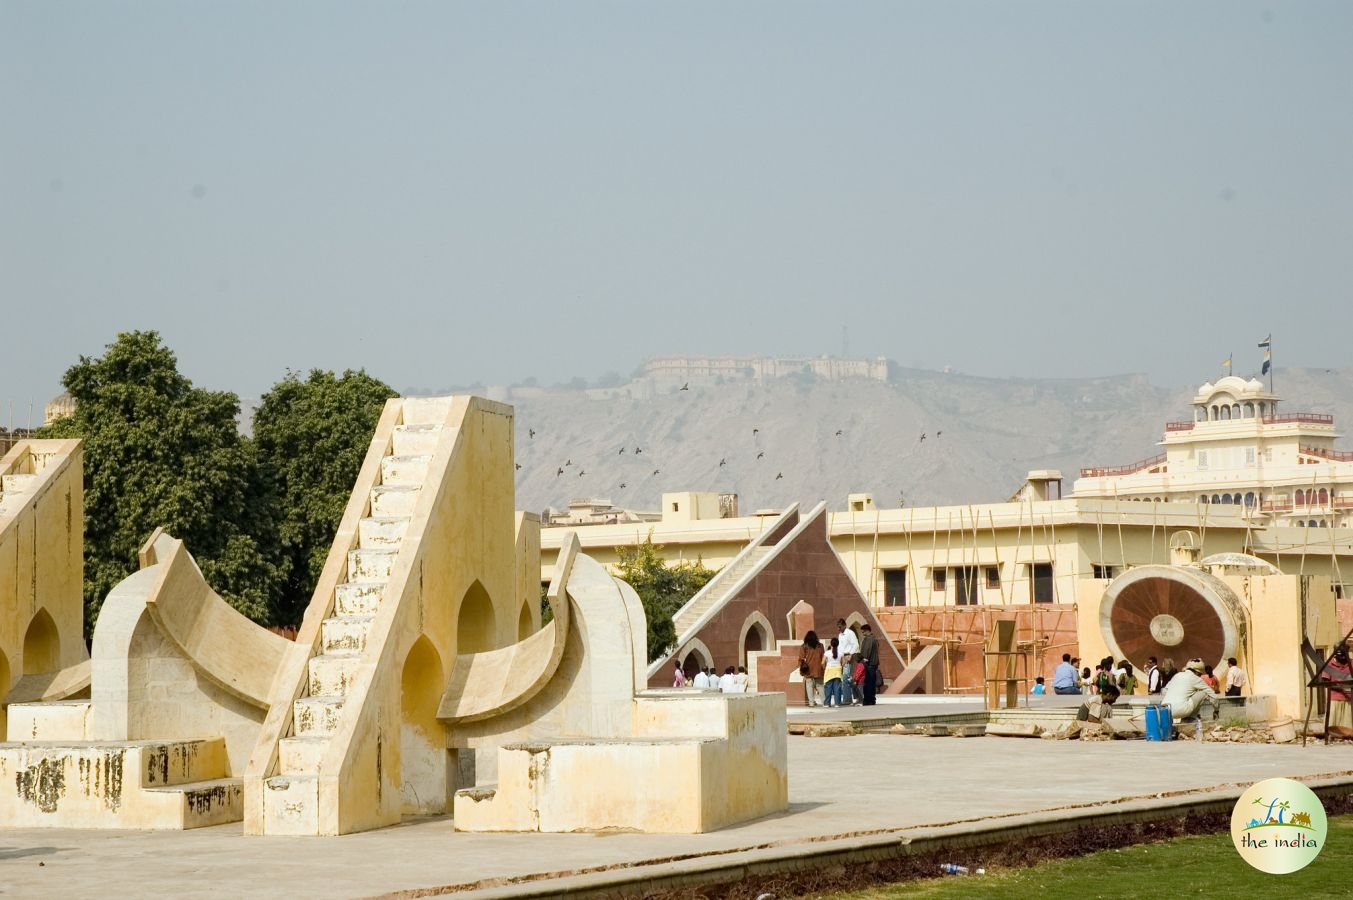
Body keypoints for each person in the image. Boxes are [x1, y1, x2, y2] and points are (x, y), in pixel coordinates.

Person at [1323, 645, 1352, 734]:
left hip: (1348, 698)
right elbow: (1325, 681)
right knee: (1331, 725)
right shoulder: (1329, 664)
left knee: (1347, 726)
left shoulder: (1351, 663)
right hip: (1333, 698)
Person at [837, 618, 861, 706]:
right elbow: (840, 647)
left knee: (848, 678)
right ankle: (848, 698)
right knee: (845, 679)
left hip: (850, 657)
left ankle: (854, 697)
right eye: (838, 627)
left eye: (840, 627)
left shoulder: (850, 633)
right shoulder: (840, 635)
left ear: (844, 625)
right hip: (843, 657)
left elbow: (855, 644)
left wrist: (850, 654)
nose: (839, 629)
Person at [798, 630, 826, 707]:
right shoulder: (820, 646)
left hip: (808, 670)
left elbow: (801, 659)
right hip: (818, 669)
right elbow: (823, 657)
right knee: (820, 686)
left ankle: (811, 703)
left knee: (809, 686)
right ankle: (824, 702)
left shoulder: (804, 646)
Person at [859, 623, 881, 705]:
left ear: (866, 631)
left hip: (869, 664)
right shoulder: (874, 639)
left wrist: (862, 659)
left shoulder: (868, 639)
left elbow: (866, 652)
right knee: (871, 682)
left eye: (863, 632)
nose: (862, 634)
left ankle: (868, 700)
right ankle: (872, 699)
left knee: (868, 683)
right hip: (874, 663)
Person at [822, 637, 844, 707]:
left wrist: (824, 668)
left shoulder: (827, 653)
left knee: (828, 688)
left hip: (829, 670)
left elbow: (822, 662)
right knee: (837, 688)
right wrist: (840, 666)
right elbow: (843, 662)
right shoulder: (841, 653)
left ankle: (827, 703)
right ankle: (837, 703)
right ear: (838, 644)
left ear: (830, 644)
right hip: (837, 671)